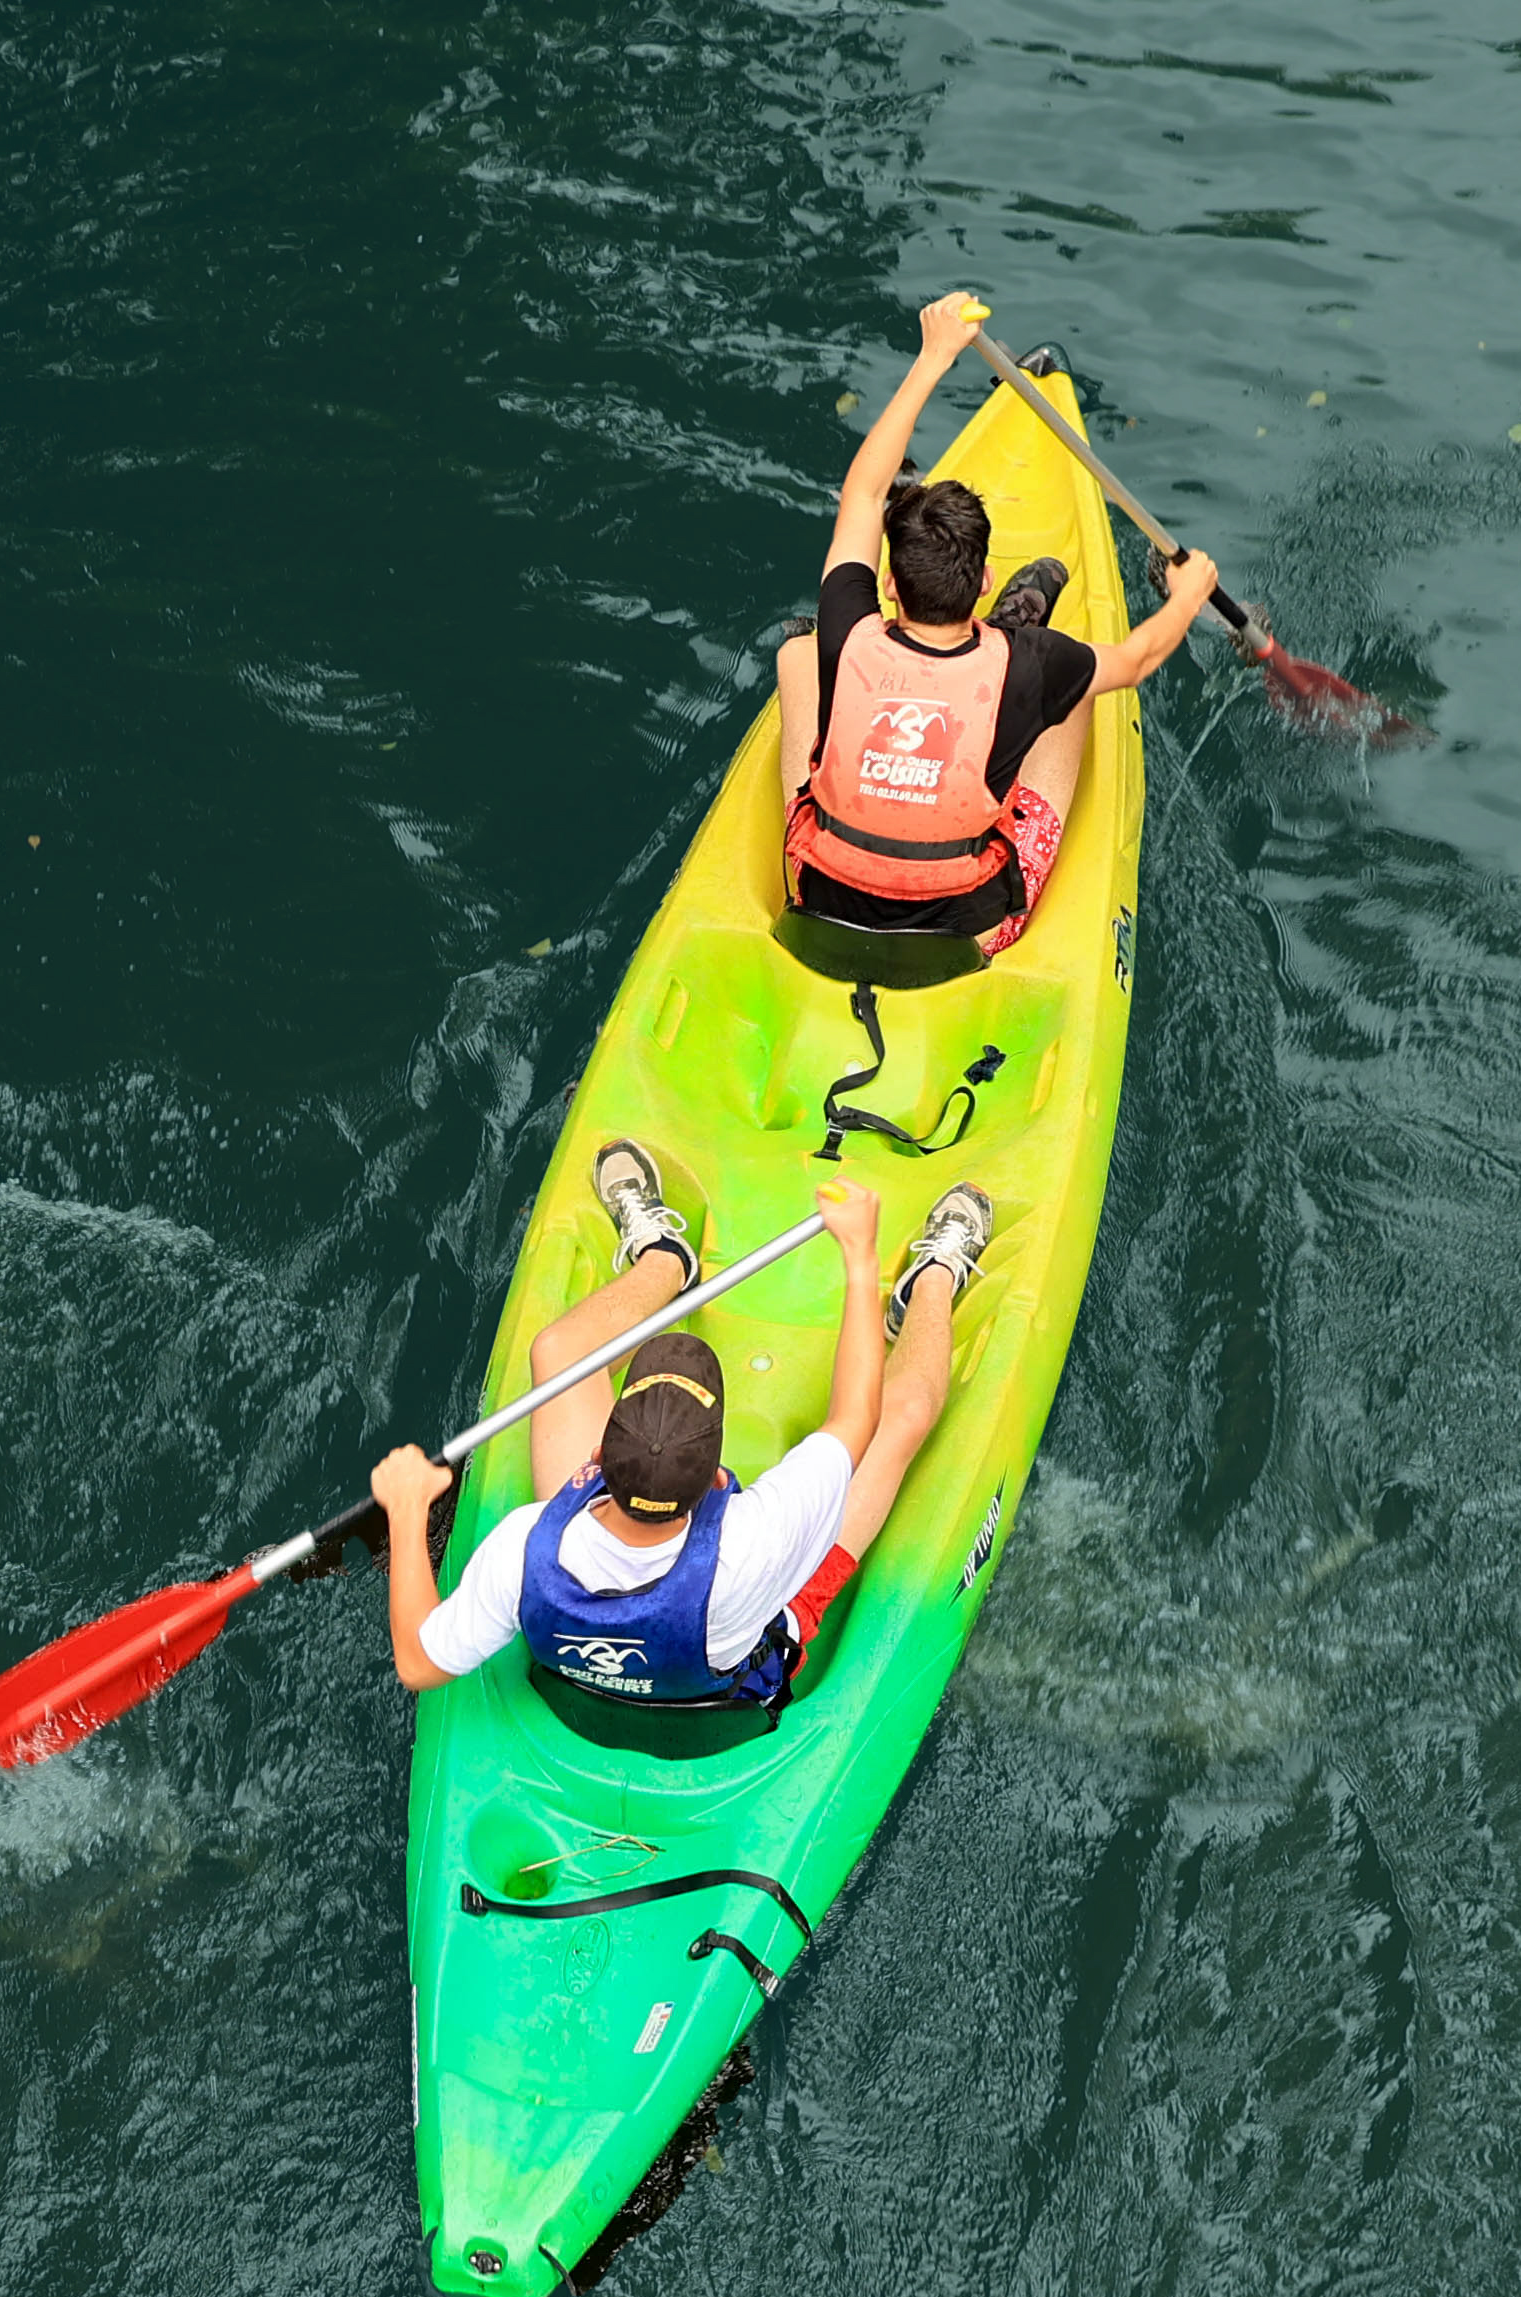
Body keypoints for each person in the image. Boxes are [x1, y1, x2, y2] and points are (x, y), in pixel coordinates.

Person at [370, 1145, 991, 1706]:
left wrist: (406, 1510)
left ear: (594, 1461)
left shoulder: (523, 1543)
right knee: (903, 1415)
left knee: (558, 1355)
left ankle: (665, 1262)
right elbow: (856, 1417)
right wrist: (860, 1256)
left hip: (590, 1687)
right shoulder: (759, 1535)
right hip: (733, 1672)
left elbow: (419, 1663)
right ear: (721, 1478)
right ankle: (933, 1279)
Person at [775, 289, 1222, 980]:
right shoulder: (1031, 667)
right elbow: (1135, 661)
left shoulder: (849, 627)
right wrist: (1186, 597)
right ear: (982, 581)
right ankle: (1012, 622)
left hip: (818, 902)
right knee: (1071, 701)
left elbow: (863, 495)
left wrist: (932, 358)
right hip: (966, 939)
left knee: (800, 655)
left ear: (889, 584)